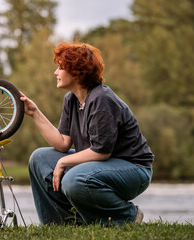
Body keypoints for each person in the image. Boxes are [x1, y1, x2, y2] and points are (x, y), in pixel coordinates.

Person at [20, 42, 154, 226]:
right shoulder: (71, 99)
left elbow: (101, 152)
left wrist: (63, 162)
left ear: (76, 71)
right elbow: (62, 143)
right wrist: (35, 113)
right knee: (39, 158)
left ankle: (127, 216)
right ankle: (61, 223)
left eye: (60, 67)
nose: (55, 72)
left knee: (74, 179)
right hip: (100, 166)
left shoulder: (101, 99)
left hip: (133, 169)